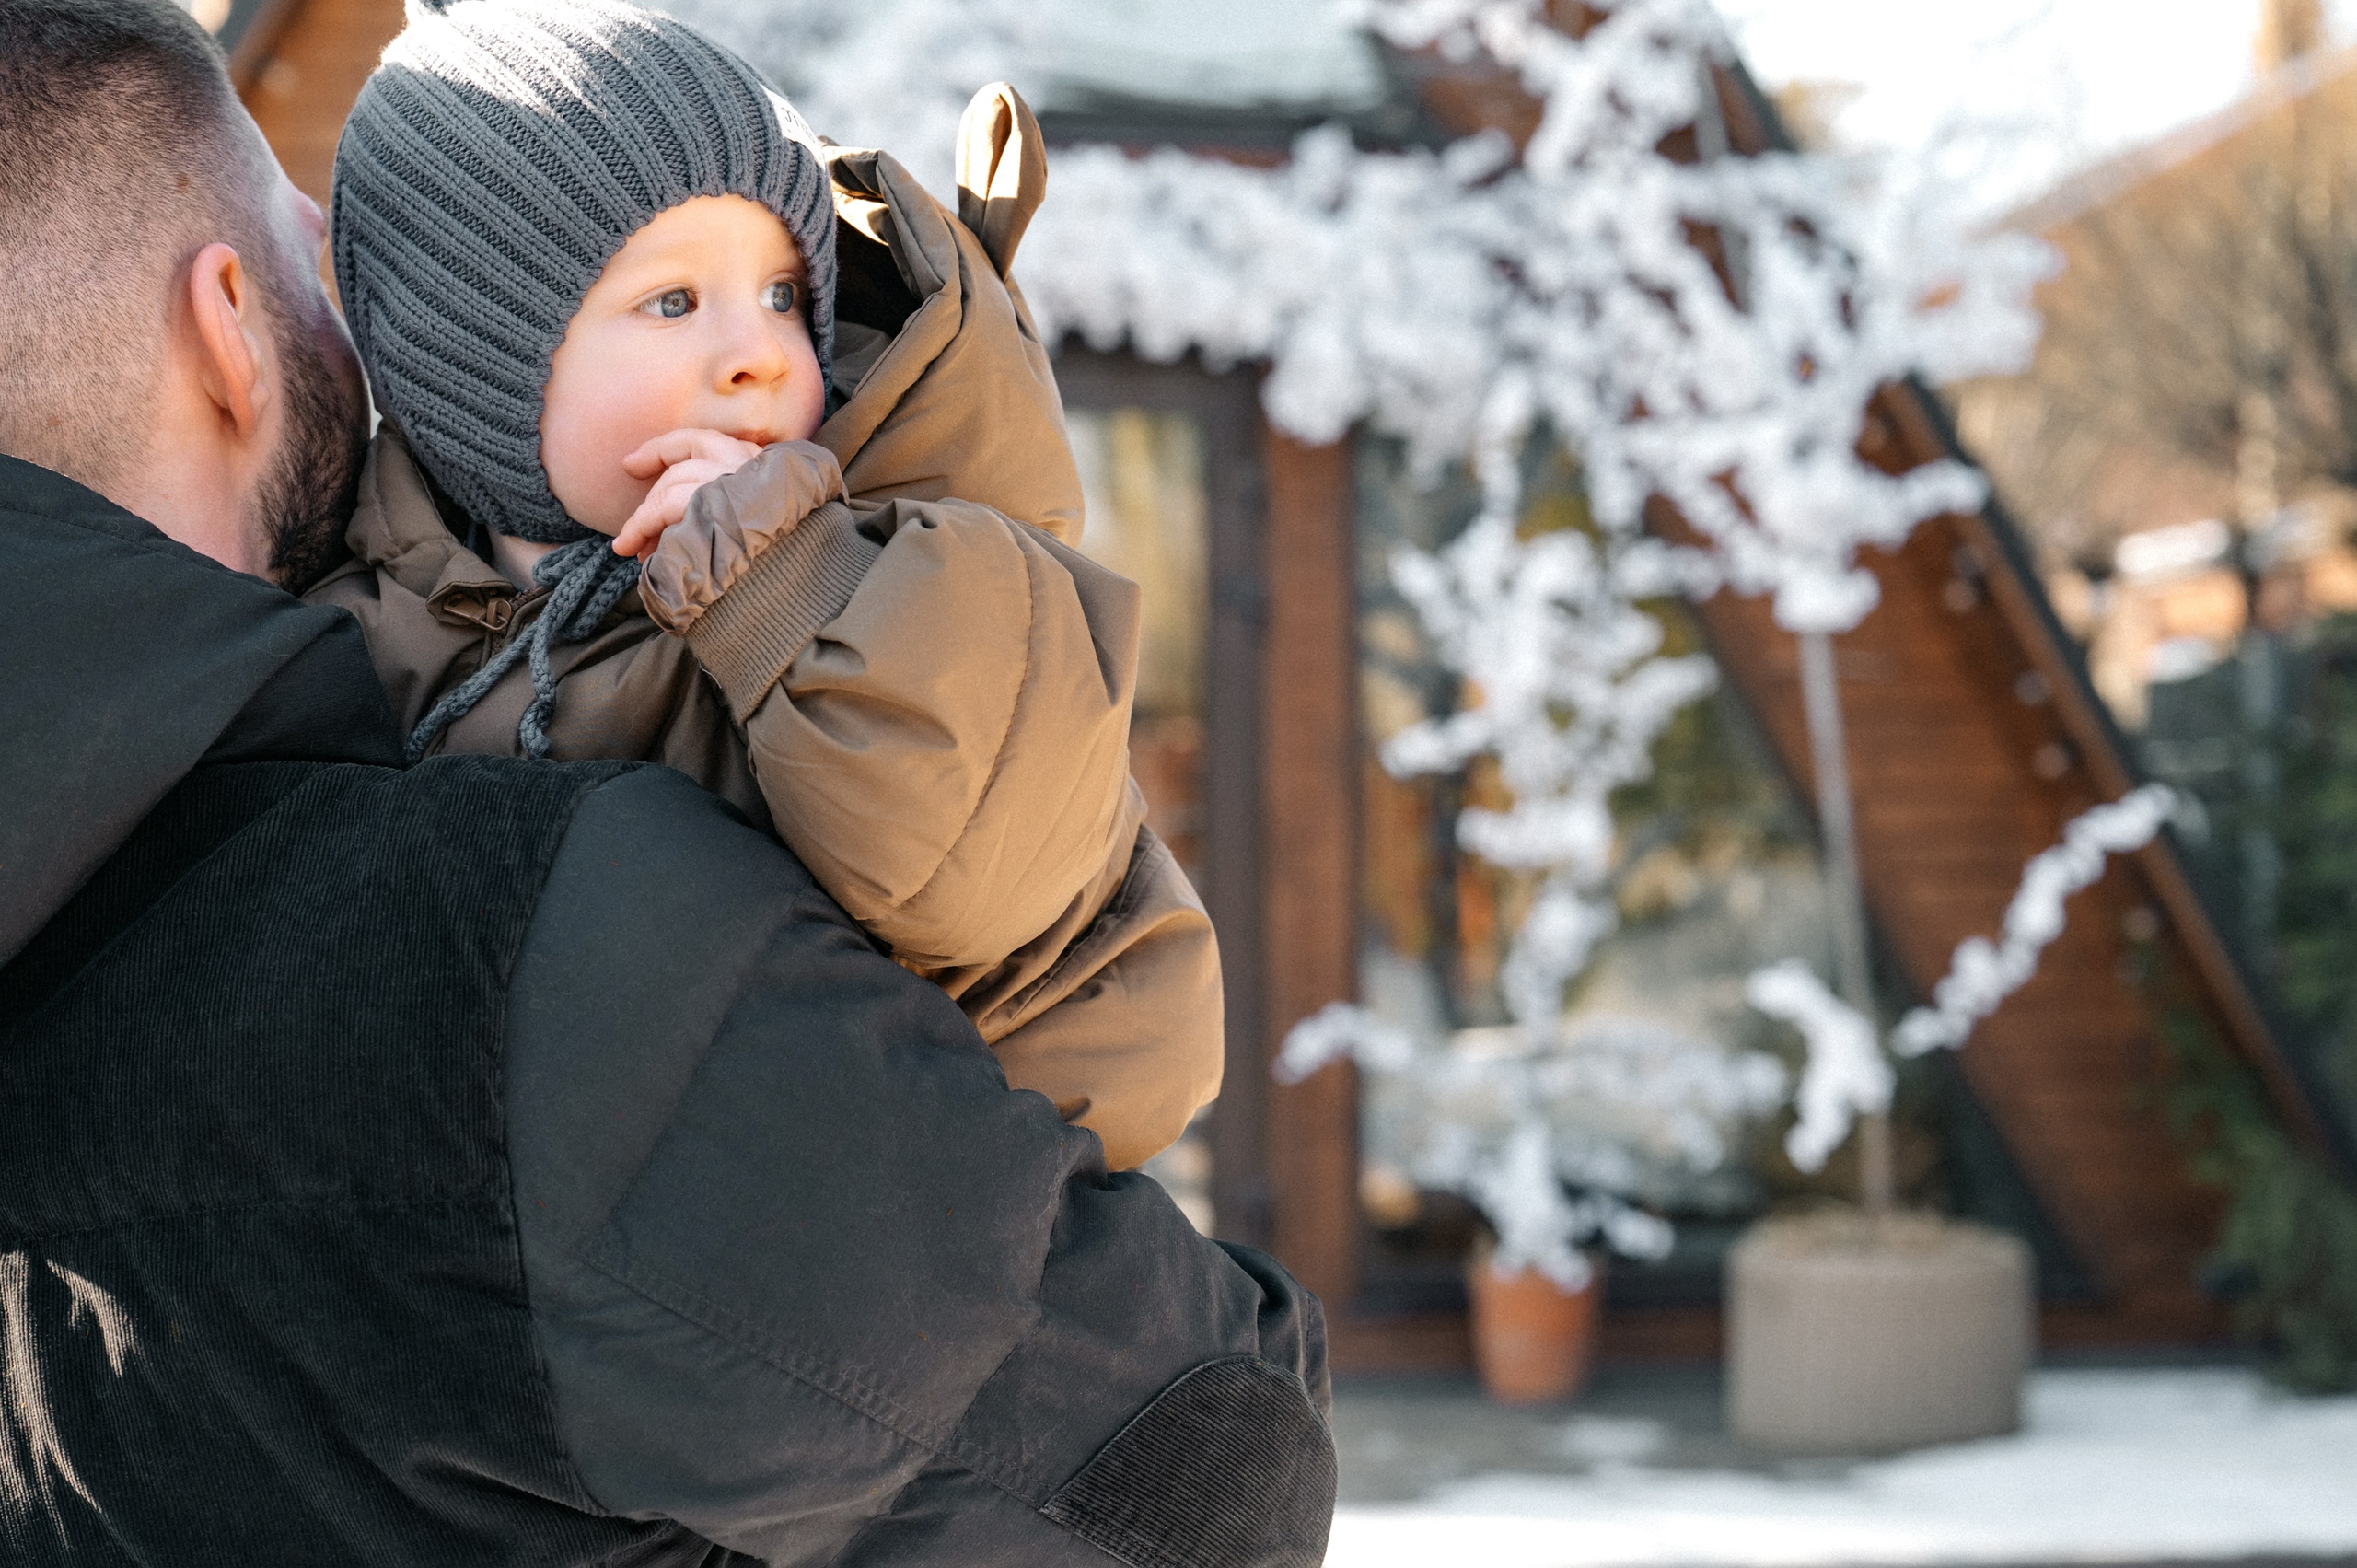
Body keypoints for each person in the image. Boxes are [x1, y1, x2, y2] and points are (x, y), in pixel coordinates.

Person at [0, 3, 1335, 1562]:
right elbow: (1208, 1465)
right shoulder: (520, 953)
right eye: (311, 261)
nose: (758, 347)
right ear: (233, 330)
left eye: (780, 290)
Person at [309, 0, 1220, 1173]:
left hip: (941, 1193)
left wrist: (785, 588)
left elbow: (968, 871)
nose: (759, 351)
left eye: (785, 292)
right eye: (673, 301)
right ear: (467, 372)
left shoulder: (902, 542)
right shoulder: (372, 626)